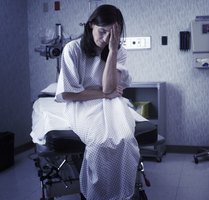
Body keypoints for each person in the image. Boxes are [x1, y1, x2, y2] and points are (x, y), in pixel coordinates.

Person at [55, 4, 144, 200]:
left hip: (110, 102)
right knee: (100, 142)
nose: (105, 39)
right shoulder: (73, 49)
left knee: (125, 140)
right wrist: (103, 94)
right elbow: (69, 94)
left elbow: (107, 87)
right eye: (102, 32)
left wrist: (112, 51)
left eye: (112, 35)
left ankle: (122, 193)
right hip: (81, 104)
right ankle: (96, 195)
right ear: (90, 26)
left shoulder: (116, 51)